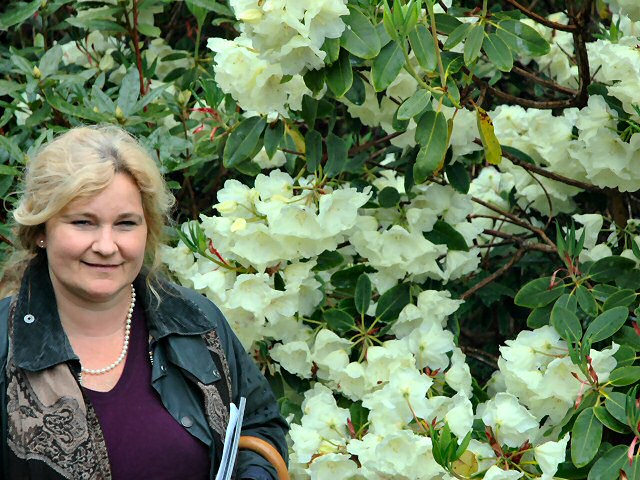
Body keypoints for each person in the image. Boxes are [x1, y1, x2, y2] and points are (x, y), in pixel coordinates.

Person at [0, 125, 288, 479]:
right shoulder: (5, 344)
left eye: (125, 223)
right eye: (83, 222)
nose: (107, 246)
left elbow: (258, 426)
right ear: (41, 230)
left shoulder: (195, 322)